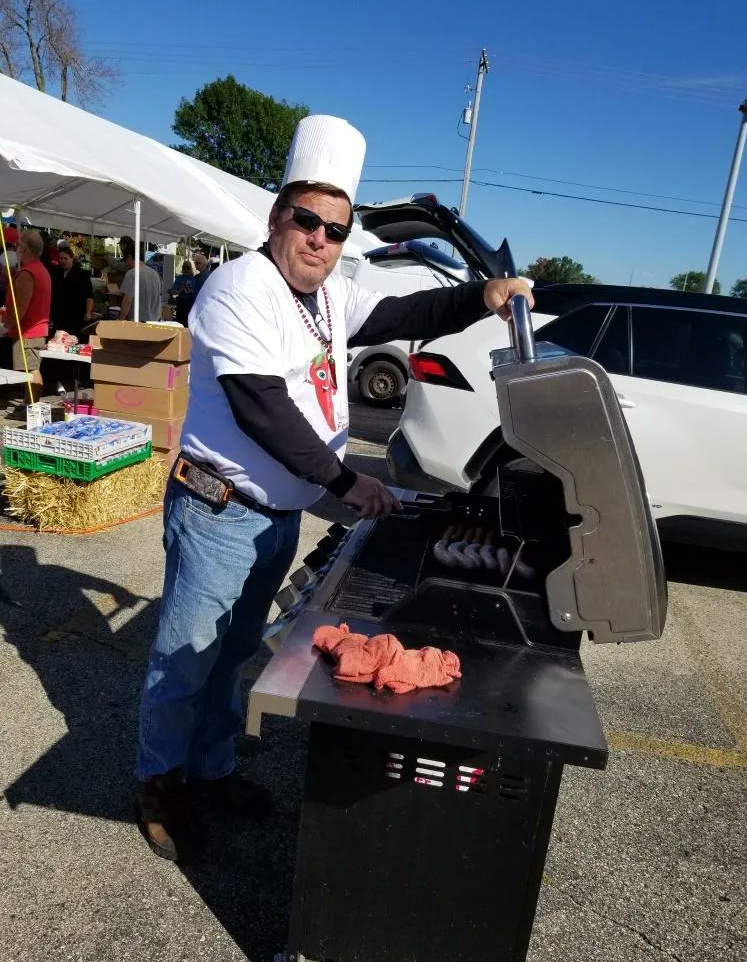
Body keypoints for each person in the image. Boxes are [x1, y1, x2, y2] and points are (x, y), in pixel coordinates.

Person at [135, 115, 534, 863]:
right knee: (184, 658)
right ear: (276, 217)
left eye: (336, 230)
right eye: (307, 220)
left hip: (276, 516)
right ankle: (158, 785)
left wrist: (481, 295)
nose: (320, 239)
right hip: (219, 510)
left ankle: (212, 770)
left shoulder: (327, 296)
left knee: (234, 652)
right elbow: (260, 406)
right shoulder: (237, 288)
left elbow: (406, 313)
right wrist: (347, 483)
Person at [3, 229, 52, 402]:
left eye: (18, 245)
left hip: (28, 332)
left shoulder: (28, 272)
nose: (16, 248)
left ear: (24, 248)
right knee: (31, 371)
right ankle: (30, 406)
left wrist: (6, 326)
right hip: (33, 330)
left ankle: (32, 408)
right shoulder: (40, 270)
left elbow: (20, 308)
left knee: (31, 372)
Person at [51, 244, 95, 337]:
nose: (63, 261)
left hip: (76, 315)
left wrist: (88, 312)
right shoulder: (55, 272)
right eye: (61, 258)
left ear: (72, 258)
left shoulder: (82, 275)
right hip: (58, 315)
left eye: (65, 258)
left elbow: (89, 295)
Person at [119, 243, 163, 322]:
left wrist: (120, 320)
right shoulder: (155, 274)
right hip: (155, 321)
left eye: (126, 260)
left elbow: (127, 301)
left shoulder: (131, 274)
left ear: (130, 257)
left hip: (138, 323)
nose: (126, 264)